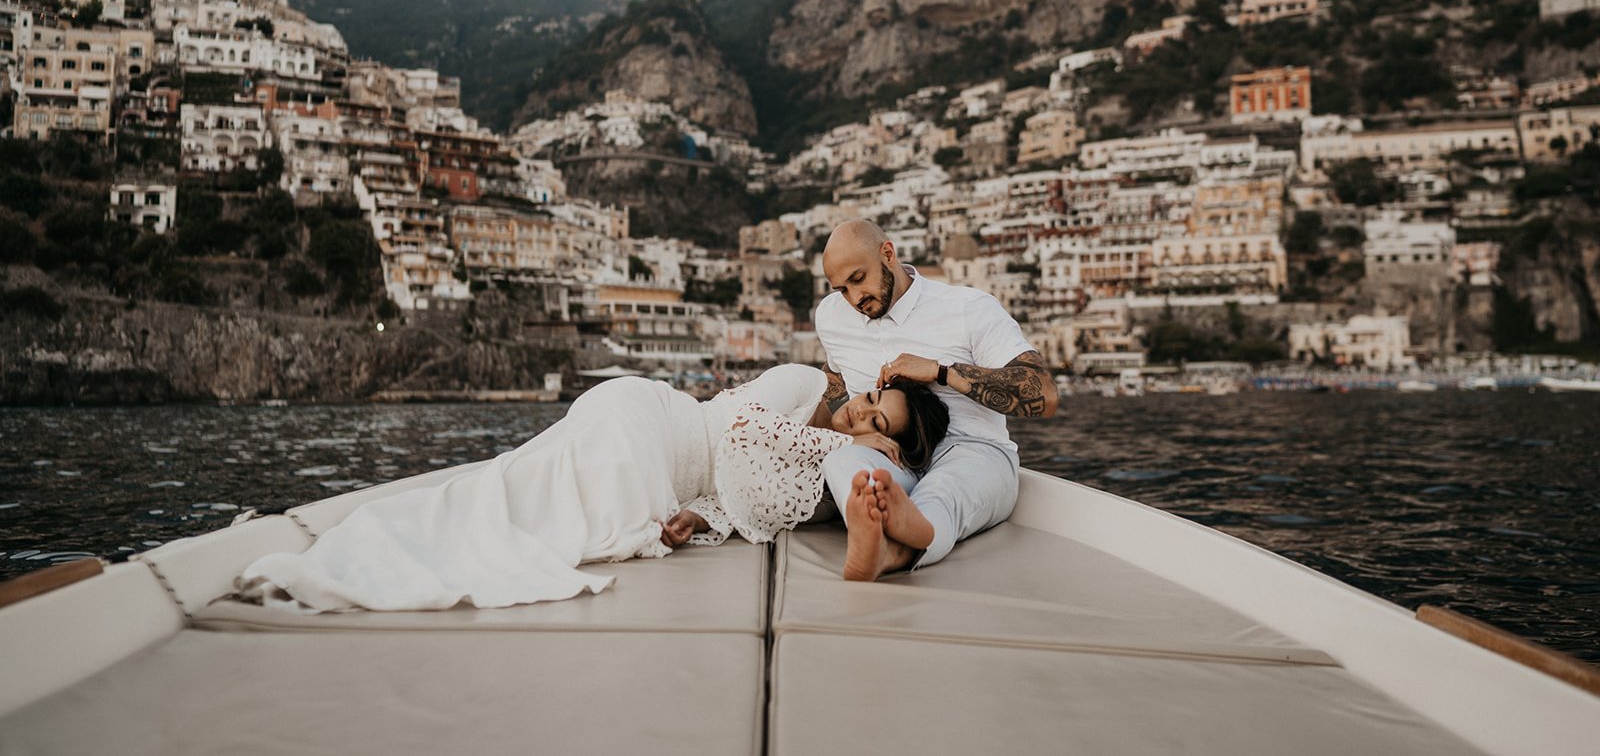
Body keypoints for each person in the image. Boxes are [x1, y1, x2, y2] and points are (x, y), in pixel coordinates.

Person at [237, 364, 949, 612]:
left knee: (536, 492)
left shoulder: (826, 480)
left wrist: (694, 521)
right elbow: (737, 430)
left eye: (877, 423)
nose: (861, 415)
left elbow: (736, 499)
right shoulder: (806, 388)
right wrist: (847, 437)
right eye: (871, 404)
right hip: (656, 420)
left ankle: (373, 536)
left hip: (672, 473)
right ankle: (359, 545)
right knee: (561, 501)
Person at [813, 219, 1059, 582]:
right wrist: (840, 427)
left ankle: (894, 548)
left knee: (944, 490)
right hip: (891, 454)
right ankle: (878, 529)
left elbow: (1044, 393)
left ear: (888, 254)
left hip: (974, 450)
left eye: (858, 278)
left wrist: (941, 372)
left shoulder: (968, 307)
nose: (853, 298)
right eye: (841, 289)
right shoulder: (831, 316)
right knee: (844, 459)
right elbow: (833, 376)